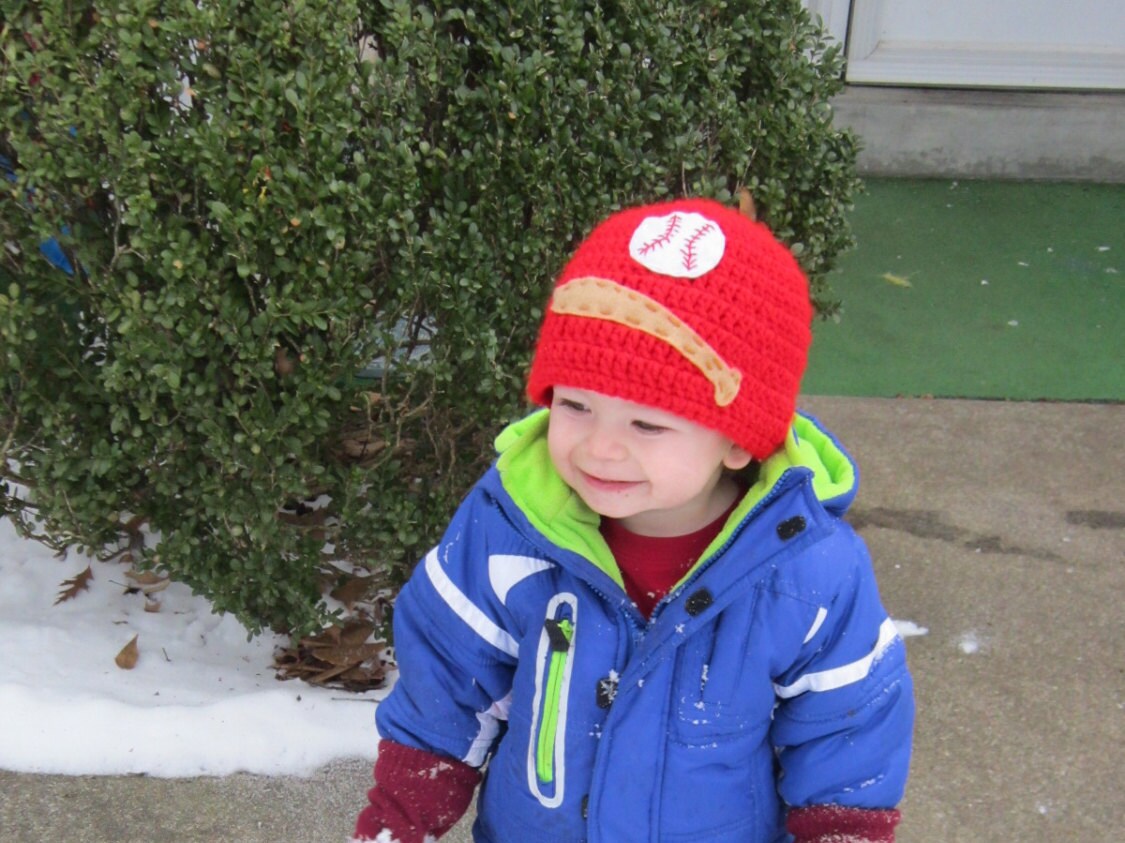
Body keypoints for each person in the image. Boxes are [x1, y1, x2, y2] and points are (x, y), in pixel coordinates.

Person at [354, 198, 914, 843]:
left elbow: (846, 731)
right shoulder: (509, 528)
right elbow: (447, 688)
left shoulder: (806, 570)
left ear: (739, 441)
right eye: (576, 405)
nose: (600, 447)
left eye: (646, 424)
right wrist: (399, 820)